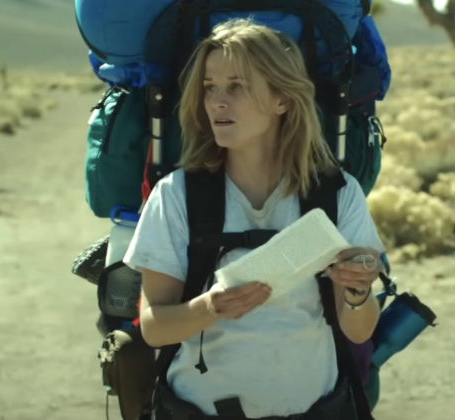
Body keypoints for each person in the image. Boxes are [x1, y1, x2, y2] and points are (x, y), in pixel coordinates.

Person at [124, 18, 387, 420]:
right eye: (210, 87)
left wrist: (358, 291)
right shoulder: (176, 196)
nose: (217, 102)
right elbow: (153, 327)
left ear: (283, 99)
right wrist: (209, 308)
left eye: (237, 87)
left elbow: (359, 330)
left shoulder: (337, 194)